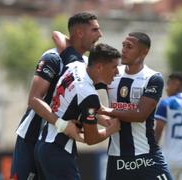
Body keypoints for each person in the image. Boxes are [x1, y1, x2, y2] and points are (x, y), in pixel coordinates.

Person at [10, 12, 102, 180]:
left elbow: (87, 104)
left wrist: (109, 119)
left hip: (58, 143)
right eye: (95, 30)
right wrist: (62, 125)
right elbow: (34, 99)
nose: (100, 35)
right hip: (31, 137)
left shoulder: (87, 65)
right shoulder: (53, 58)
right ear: (80, 32)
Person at [35, 43, 121, 179]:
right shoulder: (88, 95)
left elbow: (80, 105)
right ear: (99, 67)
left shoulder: (75, 65)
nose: (117, 72)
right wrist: (111, 130)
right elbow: (91, 138)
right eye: (114, 67)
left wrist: (104, 115)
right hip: (57, 151)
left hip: (44, 144)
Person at [97, 32, 173, 180]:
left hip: (147, 157)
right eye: (123, 45)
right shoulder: (111, 73)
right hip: (117, 159)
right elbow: (84, 94)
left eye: (129, 47)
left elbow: (140, 115)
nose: (124, 50)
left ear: (144, 51)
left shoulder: (152, 78)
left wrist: (107, 110)